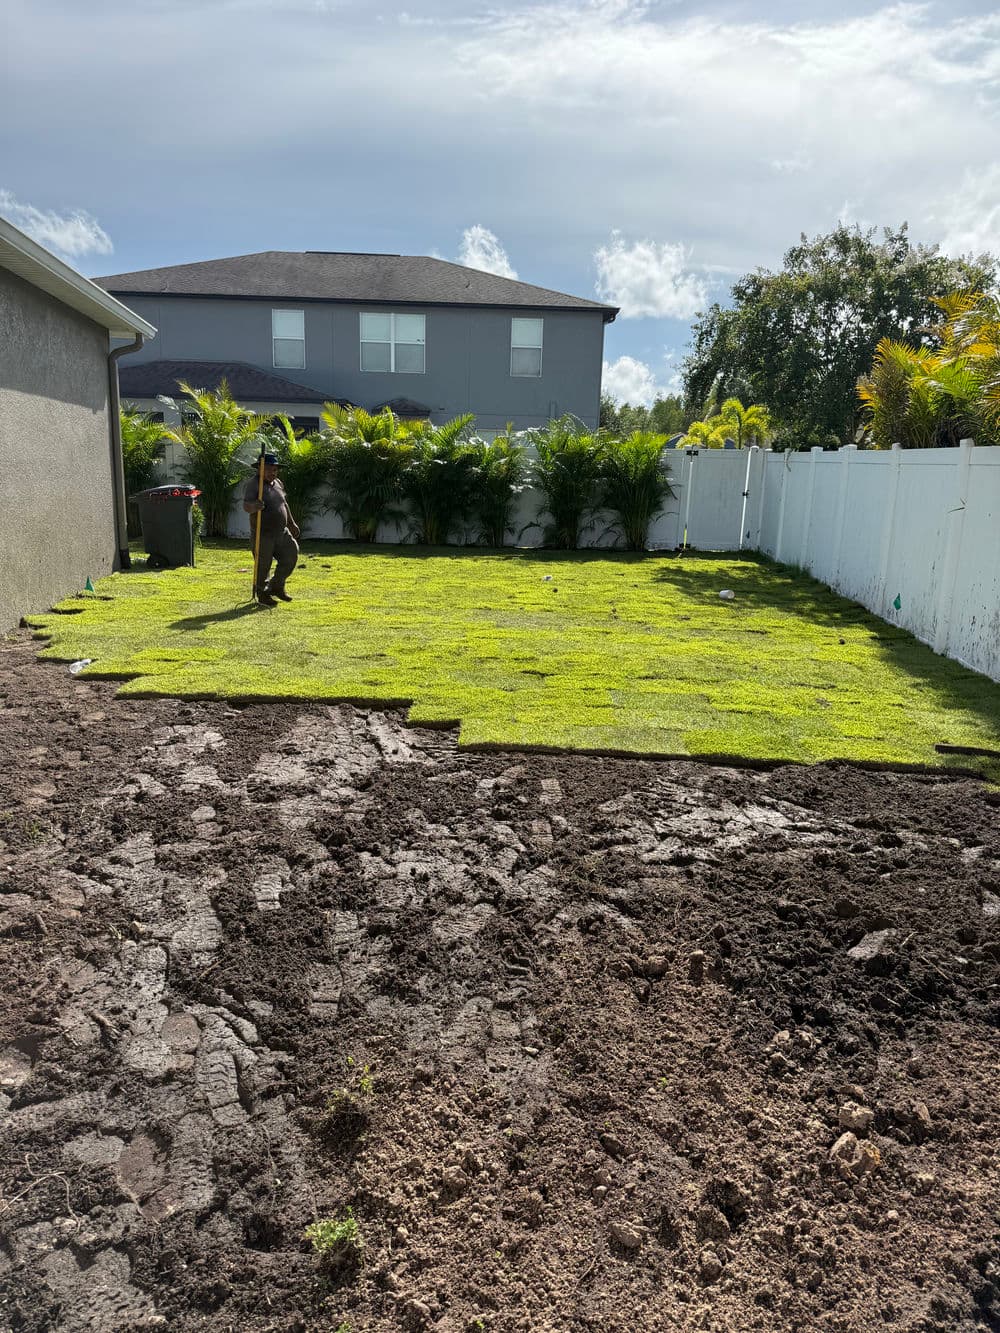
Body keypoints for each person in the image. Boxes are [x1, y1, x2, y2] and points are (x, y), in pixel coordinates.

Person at [242, 452, 300, 606]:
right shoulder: (254, 484)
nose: (272, 473)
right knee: (263, 565)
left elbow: (284, 504)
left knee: (291, 555)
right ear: (259, 469)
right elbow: (246, 506)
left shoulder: (278, 483)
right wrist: (255, 506)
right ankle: (262, 594)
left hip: (281, 532)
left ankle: (276, 586)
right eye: (268, 469)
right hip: (263, 534)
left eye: (274, 470)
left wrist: (291, 523)